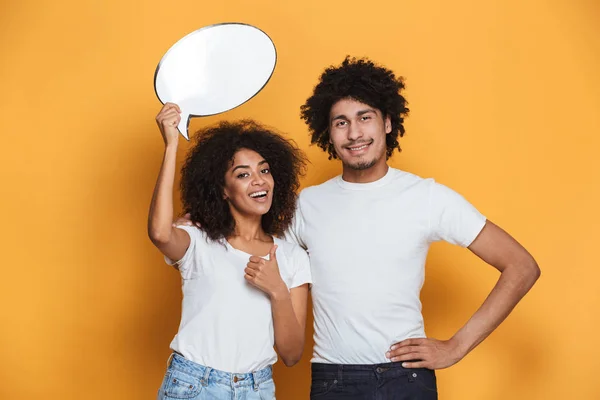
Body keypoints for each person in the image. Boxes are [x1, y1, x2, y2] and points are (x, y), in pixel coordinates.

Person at [286, 57, 541, 399]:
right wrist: (197, 226)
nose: (355, 133)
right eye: (341, 122)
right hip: (334, 380)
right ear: (328, 132)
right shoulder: (306, 205)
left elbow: (521, 266)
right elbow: (255, 256)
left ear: (387, 123)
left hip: (405, 380)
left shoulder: (427, 197)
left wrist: (456, 346)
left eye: (365, 118)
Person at [149, 103, 311, 400]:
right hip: (194, 386)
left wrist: (278, 290)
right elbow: (159, 233)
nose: (259, 180)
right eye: (243, 174)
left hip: (258, 390)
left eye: (264, 170)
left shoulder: (292, 257)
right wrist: (171, 144)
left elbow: (291, 354)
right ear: (222, 189)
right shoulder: (198, 240)